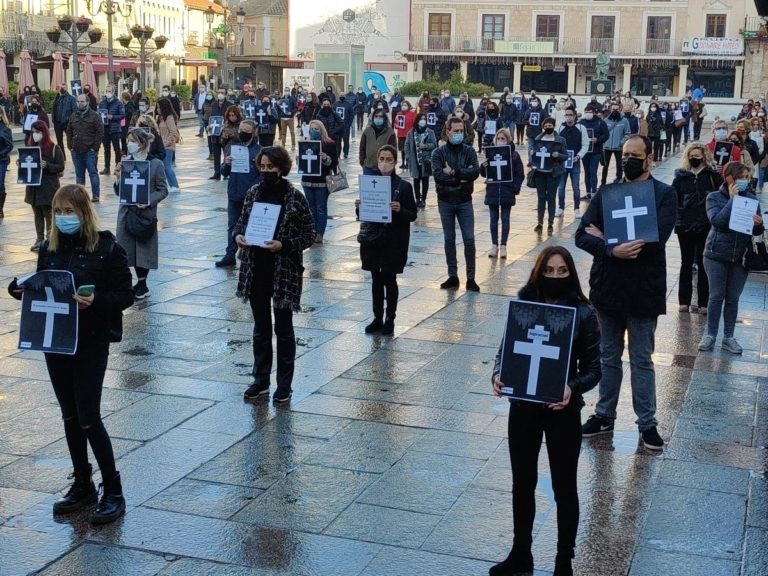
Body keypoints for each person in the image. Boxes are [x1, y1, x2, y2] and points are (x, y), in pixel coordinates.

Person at [7, 183, 134, 524]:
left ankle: (114, 490)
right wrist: (21, 290)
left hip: (91, 341)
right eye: (58, 212)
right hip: (57, 340)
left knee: (88, 415)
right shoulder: (51, 248)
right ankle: (82, 483)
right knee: (68, 415)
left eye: (69, 212)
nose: (63, 218)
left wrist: (98, 301)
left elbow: (126, 295)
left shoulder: (107, 248)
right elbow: (43, 285)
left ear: (83, 213)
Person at [490, 246, 601, 576]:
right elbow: (504, 351)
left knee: (564, 485)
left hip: (561, 410)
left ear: (570, 273)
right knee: (522, 482)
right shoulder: (524, 305)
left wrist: (571, 388)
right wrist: (497, 375)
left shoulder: (583, 313)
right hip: (523, 407)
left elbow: (595, 369)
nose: (555, 276)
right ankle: (520, 554)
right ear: (539, 271)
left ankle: (563, 560)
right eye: (549, 270)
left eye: (561, 271)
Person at [576, 135, 677, 451]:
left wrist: (608, 236)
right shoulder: (608, 193)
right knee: (608, 356)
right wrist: (611, 247)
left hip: (643, 292)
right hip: (608, 288)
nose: (628, 159)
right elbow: (581, 234)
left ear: (649, 158)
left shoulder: (664, 194)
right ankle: (604, 414)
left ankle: (647, 424)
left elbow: (654, 239)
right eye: (624, 154)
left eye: (635, 155)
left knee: (641, 359)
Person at [234, 146, 315, 403]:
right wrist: (238, 236)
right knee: (260, 328)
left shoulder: (294, 197)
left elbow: (308, 233)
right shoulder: (253, 192)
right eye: (263, 166)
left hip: (283, 271)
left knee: (283, 328)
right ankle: (260, 380)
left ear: (281, 167)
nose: (266, 171)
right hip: (256, 267)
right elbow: (241, 221)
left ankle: (284, 384)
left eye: (271, 166)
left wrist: (285, 244)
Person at [698, 161, 764, 354]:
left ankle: (729, 336)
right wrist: (732, 200)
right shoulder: (714, 197)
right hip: (716, 254)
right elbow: (717, 221)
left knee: (733, 298)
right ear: (729, 178)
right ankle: (710, 334)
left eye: (747, 177)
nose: (746, 181)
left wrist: (758, 224)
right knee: (716, 296)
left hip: (740, 257)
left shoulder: (751, 199)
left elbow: (756, 231)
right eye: (742, 177)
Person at [356, 145, 417, 335]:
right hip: (373, 240)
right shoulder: (370, 182)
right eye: (381, 158)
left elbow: (413, 214)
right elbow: (364, 214)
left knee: (389, 280)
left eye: (388, 159)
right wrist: (360, 207)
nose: (384, 163)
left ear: (395, 162)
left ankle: (390, 318)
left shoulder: (403, 186)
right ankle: (377, 317)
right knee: (375, 280)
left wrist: (400, 210)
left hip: (393, 240)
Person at [113, 128, 169, 300]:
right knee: (125, 247)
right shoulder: (126, 163)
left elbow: (163, 190)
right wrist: (117, 178)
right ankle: (131, 281)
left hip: (145, 214)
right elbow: (119, 191)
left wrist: (149, 201)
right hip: (127, 212)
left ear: (142, 144)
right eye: (128, 140)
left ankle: (143, 283)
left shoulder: (156, 164)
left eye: (133, 141)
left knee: (144, 249)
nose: (129, 144)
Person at [431, 117, 481, 291]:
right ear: (448, 131)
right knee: (449, 239)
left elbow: (475, 171)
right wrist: (460, 179)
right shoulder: (439, 153)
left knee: (469, 239)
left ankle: (471, 278)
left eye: (462, 131)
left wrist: (453, 172)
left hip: (464, 201)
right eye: (456, 131)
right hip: (445, 201)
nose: (459, 134)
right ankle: (452, 276)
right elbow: (438, 175)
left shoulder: (469, 151)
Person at [672, 143, 721, 314]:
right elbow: (673, 198)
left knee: (703, 263)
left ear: (704, 156)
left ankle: (703, 303)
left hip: (706, 225)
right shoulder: (680, 176)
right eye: (691, 155)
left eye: (698, 155)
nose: (694, 158)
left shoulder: (712, 176)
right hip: (685, 225)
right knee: (686, 263)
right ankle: (683, 301)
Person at [216, 119, 262, 267]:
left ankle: (248, 252)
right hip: (234, 193)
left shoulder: (260, 150)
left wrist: (252, 188)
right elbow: (223, 171)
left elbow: (262, 174)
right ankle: (230, 255)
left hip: (250, 195)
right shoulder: (233, 147)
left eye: (246, 131)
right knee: (232, 225)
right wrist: (226, 164)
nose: (242, 133)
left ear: (253, 133)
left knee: (249, 225)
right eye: (240, 130)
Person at [480, 128, 524, 258]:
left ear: (508, 139)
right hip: (493, 190)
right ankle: (494, 245)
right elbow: (484, 174)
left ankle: (503, 245)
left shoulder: (514, 155)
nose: (500, 141)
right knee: (493, 219)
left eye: (503, 138)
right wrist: (483, 166)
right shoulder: (491, 153)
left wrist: (514, 187)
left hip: (506, 191)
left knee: (505, 219)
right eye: (498, 139)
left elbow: (519, 174)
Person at [23, 121, 64, 251]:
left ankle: (50, 239)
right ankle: (39, 239)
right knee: (37, 214)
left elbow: (60, 166)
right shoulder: (30, 147)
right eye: (33, 132)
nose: (35, 134)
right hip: (34, 187)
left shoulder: (53, 148)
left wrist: (47, 165)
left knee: (48, 213)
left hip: (48, 186)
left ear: (44, 132)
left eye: (38, 132)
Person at [302, 120, 338, 244]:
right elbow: (303, 163)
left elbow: (334, 163)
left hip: (322, 181)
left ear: (321, 129)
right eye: (311, 129)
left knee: (321, 208)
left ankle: (320, 233)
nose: (313, 131)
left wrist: (325, 158)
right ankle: (312, 231)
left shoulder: (329, 143)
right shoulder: (306, 143)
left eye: (316, 129)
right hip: (307, 181)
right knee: (311, 208)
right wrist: (299, 159)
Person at [532, 116, 568, 234]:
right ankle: (540, 222)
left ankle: (550, 223)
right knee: (541, 198)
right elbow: (533, 155)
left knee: (551, 198)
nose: (548, 127)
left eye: (550, 125)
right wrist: (532, 153)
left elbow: (566, 156)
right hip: (540, 173)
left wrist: (558, 155)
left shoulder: (561, 139)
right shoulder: (538, 138)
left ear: (553, 126)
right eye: (546, 126)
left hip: (553, 173)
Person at [67, 93, 104, 202]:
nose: (80, 104)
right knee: (79, 175)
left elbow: (100, 132)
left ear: (87, 102)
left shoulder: (94, 116)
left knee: (93, 173)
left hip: (89, 150)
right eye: (78, 102)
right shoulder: (74, 116)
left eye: (82, 101)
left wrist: (95, 147)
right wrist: (70, 146)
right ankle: (80, 197)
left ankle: (96, 195)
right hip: (77, 150)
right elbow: (69, 131)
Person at [555, 108, 589, 218]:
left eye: (570, 115)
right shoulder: (560, 128)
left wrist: (579, 156)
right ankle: (560, 207)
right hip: (562, 162)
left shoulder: (581, 128)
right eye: (566, 115)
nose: (568, 117)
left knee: (576, 187)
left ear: (574, 116)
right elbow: (556, 143)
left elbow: (585, 144)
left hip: (575, 162)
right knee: (561, 187)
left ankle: (577, 208)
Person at [404, 112, 437, 209]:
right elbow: (407, 145)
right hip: (415, 161)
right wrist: (408, 157)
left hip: (426, 161)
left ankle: (423, 199)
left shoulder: (430, 132)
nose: (423, 121)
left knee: (425, 181)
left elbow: (434, 145)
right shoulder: (411, 132)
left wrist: (425, 146)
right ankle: (417, 199)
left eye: (424, 119)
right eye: (421, 119)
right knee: (416, 180)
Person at [579, 105, 609, 200]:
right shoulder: (581, 122)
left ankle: (593, 192)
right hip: (585, 151)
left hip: (596, 151)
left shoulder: (600, 122)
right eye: (586, 112)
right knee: (587, 172)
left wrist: (597, 139)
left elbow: (606, 135)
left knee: (593, 171)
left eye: (590, 112)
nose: (588, 114)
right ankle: (588, 192)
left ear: (594, 112)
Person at [601, 102, 631, 185]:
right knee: (605, 165)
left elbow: (628, 133)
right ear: (610, 109)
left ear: (620, 110)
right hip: (607, 147)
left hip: (619, 147)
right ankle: (603, 181)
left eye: (616, 109)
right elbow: (602, 133)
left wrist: (621, 142)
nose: (615, 111)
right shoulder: (605, 120)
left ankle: (619, 179)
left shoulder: (624, 121)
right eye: (613, 109)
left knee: (619, 164)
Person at [359, 109, 396, 176]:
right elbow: (362, 148)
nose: (378, 118)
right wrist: (362, 162)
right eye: (376, 116)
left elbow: (393, 151)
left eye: (380, 116)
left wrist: (391, 166)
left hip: (384, 169)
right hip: (368, 167)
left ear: (384, 118)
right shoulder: (367, 131)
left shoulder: (390, 132)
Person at [98, 85, 125, 175]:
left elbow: (122, 115)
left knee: (117, 149)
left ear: (113, 92)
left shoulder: (118, 103)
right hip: (105, 129)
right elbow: (99, 113)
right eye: (106, 91)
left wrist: (112, 117)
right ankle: (106, 167)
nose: (107, 93)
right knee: (106, 149)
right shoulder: (102, 102)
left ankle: (117, 168)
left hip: (115, 129)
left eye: (109, 91)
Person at [156, 98, 180, 193]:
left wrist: (165, 143)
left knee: (167, 166)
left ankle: (174, 185)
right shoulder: (162, 118)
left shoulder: (169, 118)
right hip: (163, 146)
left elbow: (173, 132)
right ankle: (171, 185)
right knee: (165, 167)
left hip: (168, 146)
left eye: (159, 107)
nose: (157, 109)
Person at [206, 90, 228, 180]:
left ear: (225, 95)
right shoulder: (214, 104)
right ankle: (217, 173)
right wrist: (209, 125)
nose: (220, 94)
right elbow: (211, 116)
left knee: (226, 154)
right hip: (215, 134)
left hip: (225, 134)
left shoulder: (229, 104)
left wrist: (226, 125)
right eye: (219, 92)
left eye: (222, 93)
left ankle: (226, 173)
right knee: (216, 154)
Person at [52, 84, 77, 162]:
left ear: (67, 88)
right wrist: (53, 119)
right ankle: (62, 158)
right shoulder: (57, 98)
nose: (62, 88)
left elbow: (74, 111)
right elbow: (54, 109)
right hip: (57, 123)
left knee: (70, 140)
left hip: (67, 123)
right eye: (61, 87)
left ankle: (75, 156)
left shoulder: (71, 98)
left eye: (64, 86)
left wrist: (71, 121)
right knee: (59, 141)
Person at [393, 100, 415, 169]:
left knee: (408, 149)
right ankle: (403, 163)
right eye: (402, 105)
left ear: (408, 106)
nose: (403, 106)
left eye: (405, 105)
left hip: (409, 135)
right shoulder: (399, 113)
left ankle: (408, 163)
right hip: (401, 134)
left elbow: (415, 124)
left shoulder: (412, 114)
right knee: (402, 150)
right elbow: (395, 124)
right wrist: (396, 125)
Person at [0, 107, 11, 218]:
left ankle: (0, 208)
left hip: (1, 160)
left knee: (0, 185)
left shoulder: (4, 129)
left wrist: (1, 154)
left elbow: (9, 145)